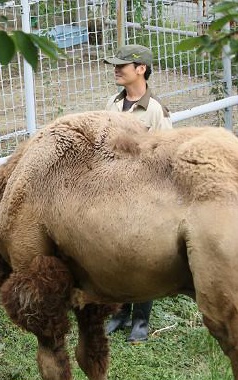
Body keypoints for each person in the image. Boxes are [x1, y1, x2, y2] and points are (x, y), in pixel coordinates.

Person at [103, 44, 172, 342]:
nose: (116, 70)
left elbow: (167, 153)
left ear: (141, 69)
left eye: (123, 66)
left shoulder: (155, 110)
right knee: (115, 254)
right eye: (116, 65)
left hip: (144, 195)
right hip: (115, 192)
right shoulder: (112, 104)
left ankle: (141, 320)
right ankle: (119, 313)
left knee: (142, 257)